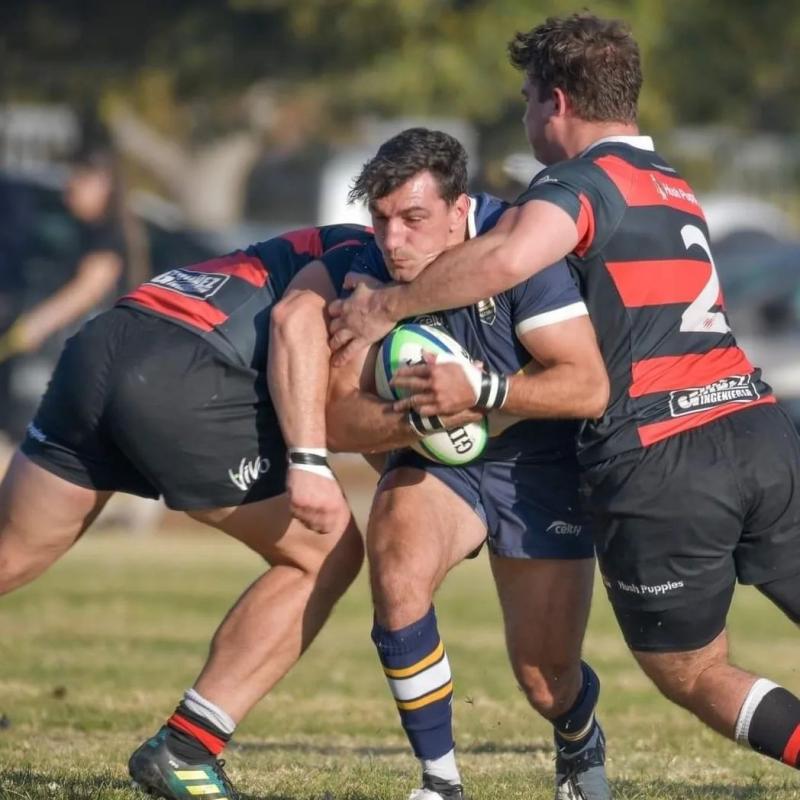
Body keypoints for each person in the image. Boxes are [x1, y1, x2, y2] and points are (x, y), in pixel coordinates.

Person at [328, 13, 800, 776]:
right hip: (757, 428)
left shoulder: (578, 185)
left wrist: (385, 307)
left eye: (524, 98)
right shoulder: (671, 183)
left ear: (556, 102)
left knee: (695, 671)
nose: (524, 114)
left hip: (662, 456)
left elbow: (510, 256)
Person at [270, 127, 611, 800]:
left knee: (546, 679)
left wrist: (484, 398)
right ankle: (440, 781)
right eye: (382, 219)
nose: (393, 240)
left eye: (414, 220)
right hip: (439, 464)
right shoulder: (363, 269)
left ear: (460, 211)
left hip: (539, 463)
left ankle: (577, 735)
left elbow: (585, 385)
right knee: (395, 558)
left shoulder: (519, 253)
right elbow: (337, 418)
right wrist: (417, 416)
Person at [0, 224, 373, 800]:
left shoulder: (339, 239)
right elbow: (331, 398)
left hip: (105, 339)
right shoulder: (378, 260)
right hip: (183, 372)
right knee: (326, 554)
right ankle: (187, 749)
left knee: (11, 555)